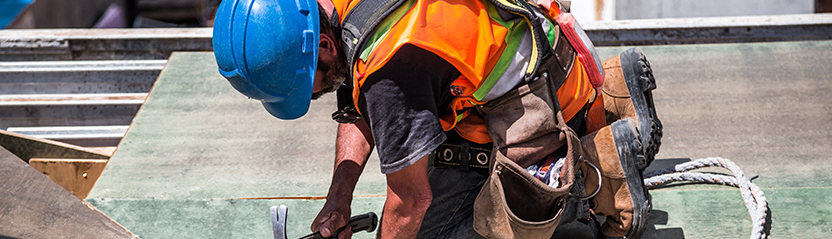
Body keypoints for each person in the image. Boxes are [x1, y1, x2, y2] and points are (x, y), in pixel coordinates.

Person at [211, 0, 662, 238]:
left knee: (441, 235)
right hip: (545, 61)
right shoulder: (332, 10)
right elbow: (358, 96)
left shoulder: (391, 68)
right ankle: (617, 95)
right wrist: (339, 198)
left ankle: (596, 174)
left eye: (304, 84)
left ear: (324, 47)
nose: (310, 95)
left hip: (545, 107)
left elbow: (410, 201)